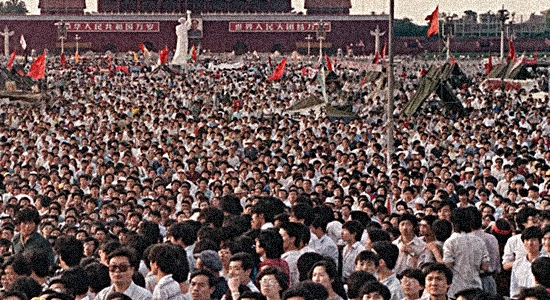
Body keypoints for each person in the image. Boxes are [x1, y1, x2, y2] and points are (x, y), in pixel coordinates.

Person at [442, 207, 489, 298]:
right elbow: (485, 267)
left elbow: (448, 264)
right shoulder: (479, 241)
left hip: (456, 287)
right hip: (475, 286)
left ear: (452, 223)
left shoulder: (451, 241)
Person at [510, 226, 543, 299]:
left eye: (533, 240)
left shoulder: (545, 262)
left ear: (540, 242)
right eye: (527, 240)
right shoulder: (517, 264)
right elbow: (513, 288)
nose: (530, 243)